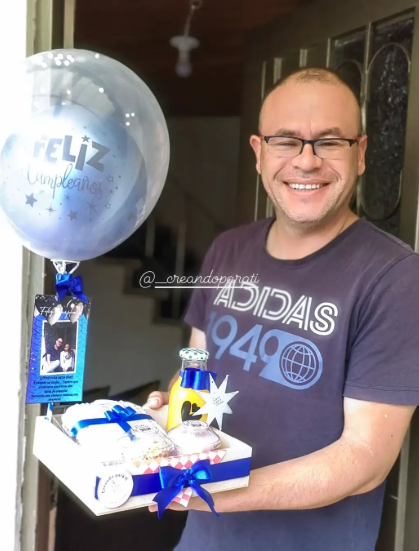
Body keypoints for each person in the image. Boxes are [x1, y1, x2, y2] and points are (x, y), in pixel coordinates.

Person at [146, 67, 419, 551]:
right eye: (286, 141)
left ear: (360, 153)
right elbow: (195, 370)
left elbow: (365, 459)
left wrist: (215, 492)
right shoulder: (228, 250)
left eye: (329, 142)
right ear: (259, 152)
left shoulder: (395, 276)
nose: (307, 161)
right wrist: (170, 411)